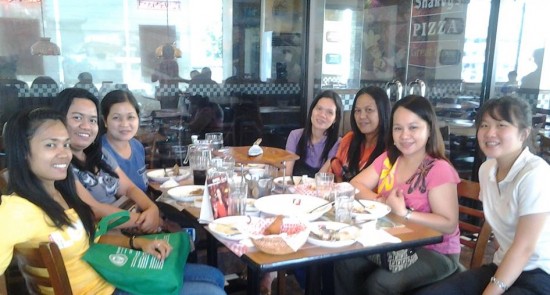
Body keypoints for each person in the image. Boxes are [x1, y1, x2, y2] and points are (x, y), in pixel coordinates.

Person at [0, 107, 226, 295]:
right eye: (50, 145)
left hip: (110, 274)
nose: (64, 154)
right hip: (105, 286)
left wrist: (137, 243)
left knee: (214, 277)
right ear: (23, 151)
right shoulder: (16, 210)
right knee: (212, 291)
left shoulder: (62, 190)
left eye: (65, 144)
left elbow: (90, 239)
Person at [416, 96, 550, 295]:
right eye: (484, 124)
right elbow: (499, 230)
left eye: (502, 125)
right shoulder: (487, 170)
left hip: (540, 274)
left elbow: (524, 248)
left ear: (523, 134)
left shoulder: (535, 174)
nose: (490, 133)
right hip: (503, 264)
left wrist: (491, 291)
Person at [335, 95, 461, 295]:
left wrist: (404, 213)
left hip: (436, 252)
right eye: (398, 128)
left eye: (413, 127)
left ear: (429, 129)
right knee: (345, 263)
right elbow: (355, 184)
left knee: (381, 283)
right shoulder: (390, 159)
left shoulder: (438, 169)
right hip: (394, 241)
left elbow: (448, 224)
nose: (404, 135)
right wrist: (383, 202)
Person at [53, 88, 161, 233]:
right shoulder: (61, 165)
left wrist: (152, 208)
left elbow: (129, 188)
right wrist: (142, 220)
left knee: (184, 239)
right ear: (59, 119)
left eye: (92, 120)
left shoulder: (100, 154)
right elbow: (94, 210)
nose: (86, 126)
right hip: (105, 239)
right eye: (77, 117)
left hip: (128, 227)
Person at [320, 86, 391, 182]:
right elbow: (331, 179)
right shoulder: (349, 140)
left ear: (382, 111)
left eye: (369, 110)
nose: (361, 116)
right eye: (357, 110)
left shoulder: (391, 149)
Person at [284, 90, 342, 177]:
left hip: (319, 189)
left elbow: (320, 179)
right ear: (311, 111)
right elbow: (286, 174)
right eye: (319, 108)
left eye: (329, 112)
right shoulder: (295, 136)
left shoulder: (337, 143)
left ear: (335, 119)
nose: (322, 115)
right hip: (292, 189)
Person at [100, 89, 148, 192]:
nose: (125, 124)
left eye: (130, 117)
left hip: (145, 206)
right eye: (116, 118)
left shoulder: (137, 146)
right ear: (105, 121)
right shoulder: (99, 152)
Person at [151, 44, 186, 109]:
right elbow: (175, 78)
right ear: (172, 53)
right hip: (172, 92)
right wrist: (187, 81)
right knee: (173, 114)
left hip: (162, 93)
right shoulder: (174, 63)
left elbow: (153, 79)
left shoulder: (159, 64)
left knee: (164, 114)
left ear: (163, 53)